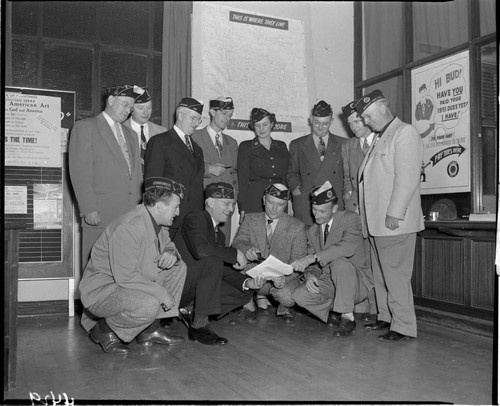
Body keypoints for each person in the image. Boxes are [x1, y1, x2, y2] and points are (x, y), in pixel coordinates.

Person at [79, 177, 187, 354]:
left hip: (131, 282)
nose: (177, 212)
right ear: (160, 206)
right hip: (104, 291)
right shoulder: (129, 227)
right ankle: (104, 331)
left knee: (178, 268)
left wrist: (171, 253)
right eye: (175, 207)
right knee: (149, 304)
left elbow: (168, 244)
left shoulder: (156, 222)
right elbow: (126, 277)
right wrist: (162, 293)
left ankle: (150, 331)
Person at [355, 89, 424, 341]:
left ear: (383, 108)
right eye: (363, 118)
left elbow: (407, 178)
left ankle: (403, 326)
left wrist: (395, 212)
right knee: (382, 274)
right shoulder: (380, 136)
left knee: (395, 276)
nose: (365, 122)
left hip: (393, 222)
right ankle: (386, 317)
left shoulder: (405, 133)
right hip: (376, 223)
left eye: (368, 116)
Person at [69, 84, 143, 270]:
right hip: (101, 214)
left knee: (124, 270)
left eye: (131, 108)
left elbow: (137, 176)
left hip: (129, 216)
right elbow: (80, 172)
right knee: (97, 271)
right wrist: (89, 208)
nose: (128, 111)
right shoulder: (85, 127)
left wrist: (140, 210)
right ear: (110, 100)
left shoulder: (132, 135)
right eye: (125, 105)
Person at [174, 182, 267, 327]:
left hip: (195, 288)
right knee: (213, 262)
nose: (231, 209)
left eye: (233, 204)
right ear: (210, 202)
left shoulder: (219, 235)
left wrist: (247, 282)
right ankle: (200, 325)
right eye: (226, 203)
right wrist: (235, 253)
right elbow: (201, 251)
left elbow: (221, 269)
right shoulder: (195, 217)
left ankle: (191, 309)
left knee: (244, 292)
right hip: (177, 286)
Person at [291, 181, 373, 337]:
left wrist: (312, 257)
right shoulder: (313, 230)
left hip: (354, 281)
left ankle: (348, 317)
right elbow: (314, 266)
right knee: (299, 295)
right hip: (330, 281)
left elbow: (347, 247)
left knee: (339, 262)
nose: (316, 215)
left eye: (322, 211)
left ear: (335, 208)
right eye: (314, 210)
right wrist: (310, 275)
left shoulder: (351, 219)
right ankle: (335, 313)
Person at [232, 183, 307, 322]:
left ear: (286, 205)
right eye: (271, 202)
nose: (274, 208)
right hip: (253, 273)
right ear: (263, 200)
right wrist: (247, 249)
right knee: (232, 269)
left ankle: (284, 307)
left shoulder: (297, 227)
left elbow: (299, 261)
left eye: (280, 204)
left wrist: (285, 279)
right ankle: (248, 306)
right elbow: (238, 241)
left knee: (287, 297)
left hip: (281, 278)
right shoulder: (249, 219)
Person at [144, 97, 205, 239]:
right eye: (193, 118)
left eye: (199, 120)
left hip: (192, 221)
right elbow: (151, 186)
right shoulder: (160, 142)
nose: (196, 124)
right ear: (180, 115)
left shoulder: (198, 149)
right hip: (168, 218)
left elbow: (197, 186)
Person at [340, 100, 378, 321]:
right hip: (356, 212)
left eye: (357, 120)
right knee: (360, 258)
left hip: (377, 212)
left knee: (377, 259)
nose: (354, 126)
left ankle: (379, 308)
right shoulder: (348, 146)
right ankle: (363, 303)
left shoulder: (381, 141)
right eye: (350, 123)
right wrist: (350, 204)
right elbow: (347, 180)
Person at [286, 100, 345, 226]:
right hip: (307, 203)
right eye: (317, 122)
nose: (320, 127)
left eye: (325, 124)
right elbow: (291, 172)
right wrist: (296, 189)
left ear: (332, 122)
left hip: (333, 203)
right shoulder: (297, 144)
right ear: (311, 120)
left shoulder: (343, 144)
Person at [192, 97, 238, 243]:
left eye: (230, 115)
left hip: (225, 207)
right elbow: (186, 168)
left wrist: (234, 199)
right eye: (224, 113)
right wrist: (207, 169)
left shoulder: (232, 142)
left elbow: (235, 174)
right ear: (212, 112)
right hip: (203, 202)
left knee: (221, 244)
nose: (227, 118)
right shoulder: (194, 136)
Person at [237, 107, 289, 219]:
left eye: (265, 124)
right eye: (257, 125)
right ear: (253, 127)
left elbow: (285, 177)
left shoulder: (282, 146)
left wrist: (288, 202)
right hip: (255, 199)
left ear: (272, 124)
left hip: (279, 198)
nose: (261, 128)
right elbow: (243, 180)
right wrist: (242, 208)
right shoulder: (246, 147)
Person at [123, 87, 167, 174]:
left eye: (149, 108)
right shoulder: (121, 130)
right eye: (140, 108)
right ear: (131, 109)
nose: (146, 112)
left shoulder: (162, 131)